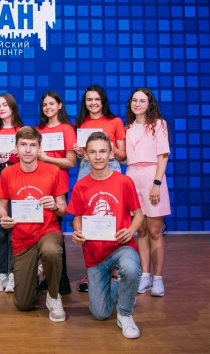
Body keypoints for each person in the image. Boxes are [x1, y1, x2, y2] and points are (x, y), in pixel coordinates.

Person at [68, 132, 144, 339]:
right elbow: (77, 218)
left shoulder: (124, 182)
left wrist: (130, 231)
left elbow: (139, 215)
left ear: (111, 154)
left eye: (102, 151)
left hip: (121, 246)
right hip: (95, 254)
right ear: (86, 155)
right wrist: (78, 231)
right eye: (93, 152)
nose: (98, 156)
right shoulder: (80, 186)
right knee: (100, 314)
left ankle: (125, 314)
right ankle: (120, 285)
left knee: (130, 268)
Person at [0, 126, 68, 322]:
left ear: (39, 148)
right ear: (16, 148)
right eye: (23, 145)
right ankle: (38, 272)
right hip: (22, 238)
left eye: (33, 145)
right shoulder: (7, 173)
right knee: (23, 304)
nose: (28, 150)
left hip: (47, 231)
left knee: (51, 251)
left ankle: (54, 297)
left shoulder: (53, 171)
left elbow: (63, 209)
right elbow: (1, 206)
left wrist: (55, 206)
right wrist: (4, 217)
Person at [73, 84, 127, 292]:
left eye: (97, 99)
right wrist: (79, 152)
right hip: (87, 170)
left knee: (114, 217)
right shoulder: (80, 123)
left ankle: (114, 270)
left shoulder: (115, 121)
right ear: (85, 102)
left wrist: (110, 148)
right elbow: (80, 156)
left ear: (103, 101)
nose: (93, 103)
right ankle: (93, 271)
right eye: (89, 99)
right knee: (89, 221)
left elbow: (123, 155)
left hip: (111, 168)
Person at [125, 88, 171, 297]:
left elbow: (163, 156)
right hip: (131, 177)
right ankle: (145, 276)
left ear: (149, 103)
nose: (137, 104)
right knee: (141, 230)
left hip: (152, 176)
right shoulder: (127, 128)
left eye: (142, 101)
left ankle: (158, 279)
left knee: (154, 231)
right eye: (134, 100)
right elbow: (125, 157)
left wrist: (156, 183)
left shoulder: (159, 124)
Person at [35, 91, 77, 295]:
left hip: (58, 186)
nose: (48, 107)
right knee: (39, 232)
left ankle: (61, 280)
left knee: (55, 232)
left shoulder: (67, 129)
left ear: (60, 105)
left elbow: (71, 161)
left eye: (52, 103)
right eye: (45, 104)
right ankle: (46, 276)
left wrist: (46, 158)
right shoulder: (38, 130)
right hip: (38, 185)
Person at [0, 93, 24, 293]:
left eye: (5, 105)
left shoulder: (23, 131)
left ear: (12, 107)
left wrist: (22, 154)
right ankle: (0, 273)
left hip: (18, 175)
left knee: (15, 226)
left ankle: (13, 272)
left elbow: (34, 155)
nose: (1, 108)